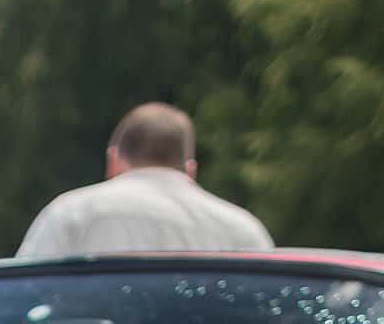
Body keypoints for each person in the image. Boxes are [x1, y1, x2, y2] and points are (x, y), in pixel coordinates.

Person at [17, 102, 273, 258]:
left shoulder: (70, 213)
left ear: (113, 160)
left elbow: (22, 296)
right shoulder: (244, 231)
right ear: (190, 170)